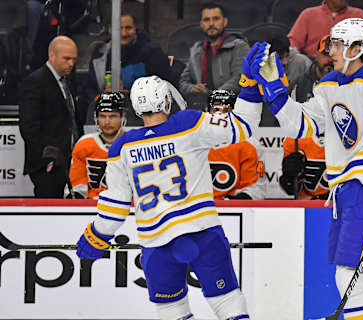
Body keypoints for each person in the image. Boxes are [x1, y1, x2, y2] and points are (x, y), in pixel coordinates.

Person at [245, 18, 363, 319]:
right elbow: (300, 125)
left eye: (337, 45)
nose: (330, 51)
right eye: (330, 44)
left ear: (357, 48)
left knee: (353, 278)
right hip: (344, 191)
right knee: (347, 276)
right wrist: (273, 88)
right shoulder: (329, 84)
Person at [75, 43, 264, 318]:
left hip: (156, 244)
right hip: (202, 233)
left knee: (172, 310)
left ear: (136, 109)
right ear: (166, 101)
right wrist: (249, 87)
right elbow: (244, 127)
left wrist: (97, 236)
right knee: (226, 301)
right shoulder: (188, 123)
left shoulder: (122, 147)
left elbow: (114, 208)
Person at [19, 35, 83, 198]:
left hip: (71, 162)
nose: (71, 63)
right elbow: (29, 126)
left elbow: (72, 119)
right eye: (67, 58)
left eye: (74, 59)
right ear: (52, 55)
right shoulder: (35, 82)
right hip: (49, 165)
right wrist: (47, 158)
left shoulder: (67, 81)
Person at [179, 1, 250, 110]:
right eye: (206, 20)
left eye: (216, 19)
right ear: (201, 24)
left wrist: (213, 96)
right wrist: (194, 88)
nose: (211, 23)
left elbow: (239, 79)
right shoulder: (196, 51)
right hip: (202, 110)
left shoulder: (239, 47)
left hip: (232, 109)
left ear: (225, 22)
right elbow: (183, 83)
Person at [87, 12, 174, 100]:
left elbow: (163, 87)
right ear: (110, 29)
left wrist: (128, 93)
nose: (124, 33)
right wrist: (101, 98)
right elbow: (89, 89)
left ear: (135, 28)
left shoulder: (152, 53)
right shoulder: (99, 54)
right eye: (119, 28)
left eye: (128, 28)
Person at [207, 90, 266, 200]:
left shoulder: (252, 146)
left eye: (226, 110)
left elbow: (257, 188)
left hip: (235, 211)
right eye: (216, 110)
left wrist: (235, 203)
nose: (220, 116)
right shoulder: (193, 142)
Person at [68, 92, 127, 199]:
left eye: (113, 116)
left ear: (122, 118)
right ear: (96, 118)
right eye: (103, 116)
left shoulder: (134, 144)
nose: (107, 122)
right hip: (91, 208)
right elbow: (77, 188)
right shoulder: (84, 144)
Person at [287, 0, 363, 58]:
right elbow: (293, 44)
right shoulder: (308, 14)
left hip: (348, 61)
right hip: (312, 63)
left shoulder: (359, 15)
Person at [279, 135, 330, 200]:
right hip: (306, 205)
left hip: (340, 204)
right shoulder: (295, 139)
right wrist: (289, 178)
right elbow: (289, 189)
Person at [289, 34, 334, 103]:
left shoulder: (348, 83)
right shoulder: (300, 84)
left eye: (335, 55)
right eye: (326, 54)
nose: (330, 60)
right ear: (316, 55)